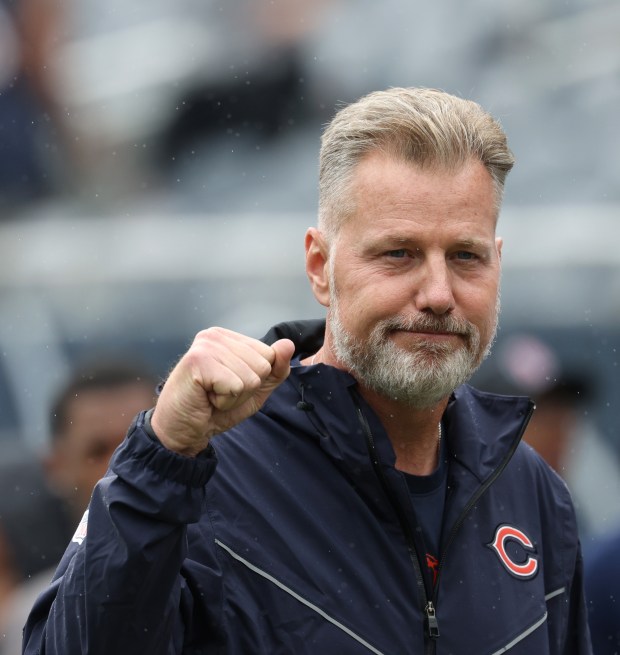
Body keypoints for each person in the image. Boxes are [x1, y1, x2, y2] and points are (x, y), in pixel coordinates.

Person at [23, 87, 592, 654]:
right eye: (399, 253)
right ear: (320, 267)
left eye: (466, 257)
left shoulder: (532, 490)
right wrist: (162, 455)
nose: (439, 294)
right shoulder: (201, 475)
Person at [2, 360, 157, 654]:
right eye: (98, 450)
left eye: (141, 445)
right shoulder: (32, 617)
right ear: (55, 467)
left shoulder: (237, 582)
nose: (120, 467)